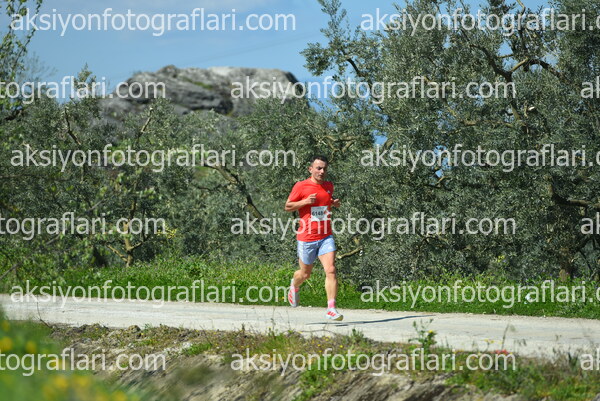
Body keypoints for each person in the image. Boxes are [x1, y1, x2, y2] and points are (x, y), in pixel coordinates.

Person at [284, 155, 343, 321]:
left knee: (331, 270)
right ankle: (294, 285)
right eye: (318, 168)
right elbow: (287, 206)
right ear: (310, 169)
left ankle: (331, 309)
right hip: (307, 238)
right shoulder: (301, 186)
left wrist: (333, 203)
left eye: (324, 168)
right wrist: (304, 202)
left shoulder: (328, 186)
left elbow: (324, 203)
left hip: (325, 236)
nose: (322, 171)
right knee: (305, 274)